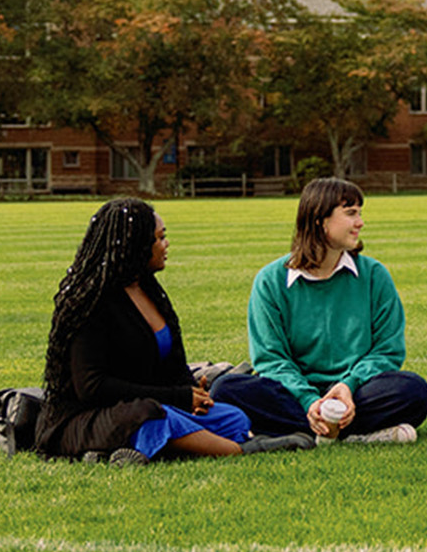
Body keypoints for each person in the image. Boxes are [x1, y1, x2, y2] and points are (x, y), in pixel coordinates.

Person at [32, 198, 316, 463]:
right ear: (135, 245)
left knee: (232, 417)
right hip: (88, 416)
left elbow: (167, 366)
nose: (166, 244)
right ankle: (242, 450)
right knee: (153, 417)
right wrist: (176, 397)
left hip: (149, 405)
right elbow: (92, 388)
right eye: (158, 238)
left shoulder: (151, 292)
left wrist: (191, 391)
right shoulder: (91, 304)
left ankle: (125, 451)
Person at [209, 178, 427, 443]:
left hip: (358, 391)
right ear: (320, 220)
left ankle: (310, 431)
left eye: (360, 213)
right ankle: (351, 434)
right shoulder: (270, 281)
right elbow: (270, 359)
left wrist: (348, 385)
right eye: (350, 213)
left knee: (413, 390)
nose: (360, 222)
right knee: (225, 390)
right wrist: (309, 399)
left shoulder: (374, 275)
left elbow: (388, 350)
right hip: (293, 393)